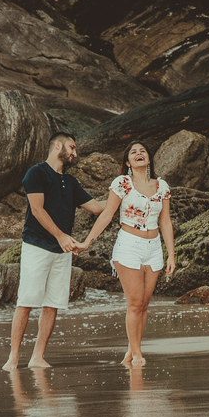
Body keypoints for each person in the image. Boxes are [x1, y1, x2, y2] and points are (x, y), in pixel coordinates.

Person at [3, 132, 104, 371]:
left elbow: (97, 208)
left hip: (62, 251)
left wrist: (121, 190)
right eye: (72, 147)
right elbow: (37, 210)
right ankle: (13, 357)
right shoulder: (36, 173)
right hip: (37, 246)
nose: (75, 153)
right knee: (26, 301)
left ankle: (37, 357)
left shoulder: (70, 182)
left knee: (52, 303)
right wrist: (61, 236)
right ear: (57, 145)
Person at [79, 140, 175, 367]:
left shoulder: (162, 186)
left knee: (144, 304)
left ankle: (131, 352)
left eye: (143, 151)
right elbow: (106, 215)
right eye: (134, 152)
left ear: (149, 158)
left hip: (153, 248)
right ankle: (137, 354)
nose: (139, 153)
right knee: (134, 303)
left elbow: (166, 222)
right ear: (128, 161)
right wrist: (86, 243)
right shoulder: (122, 183)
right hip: (129, 246)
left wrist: (171, 254)